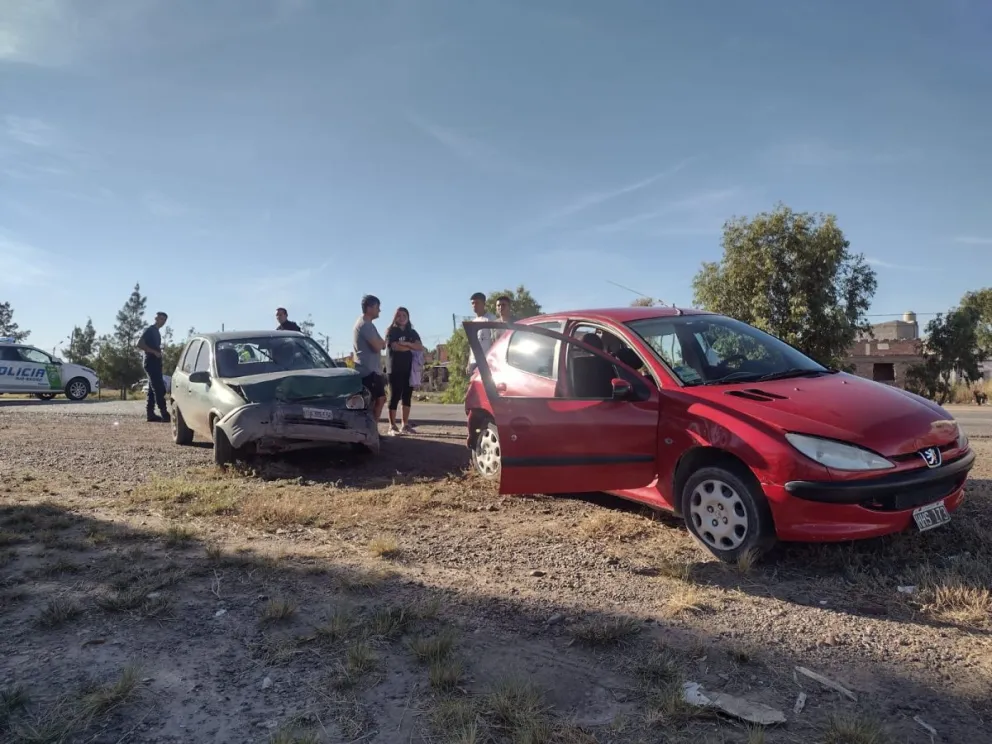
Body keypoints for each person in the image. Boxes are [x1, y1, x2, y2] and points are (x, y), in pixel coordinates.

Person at [385, 307, 425, 436]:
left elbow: (420, 347)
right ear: (395, 317)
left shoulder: (411, 332)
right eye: (399, 315)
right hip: (394, 368)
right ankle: (392, 425)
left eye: (404, 315)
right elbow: (395, 347)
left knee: (407, 396)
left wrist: (407, 344)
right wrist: (410, 346)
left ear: (408, 317)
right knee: (395, 395)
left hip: (409, 369)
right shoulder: (392, 331)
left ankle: (405, 425)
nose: (402, 317)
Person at [352, 294, 387, 425]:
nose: (379, 310)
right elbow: (378, 346)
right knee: (379, 399)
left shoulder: (369, 325)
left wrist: (381, 343)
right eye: (377, 307)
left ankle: (370, 430)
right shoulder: (364, 325)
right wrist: (380, 344)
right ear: (369, 308)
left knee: (375, 401)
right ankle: (371, 431)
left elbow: (382, 343)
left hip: (372, 370)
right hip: (368, 371)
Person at [137, 311, 171, 423]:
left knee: (152, 389)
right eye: (160, 319)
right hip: (150, 362)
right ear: (156, 318)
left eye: (164, 320)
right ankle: (165, 414)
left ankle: (150, 414)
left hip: (156, 363)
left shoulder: (157, 332)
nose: (162, 321)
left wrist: (159, 352)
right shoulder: (150, 330)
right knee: (159, 388)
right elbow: (139, 344)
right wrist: (153, 352)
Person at [465, 292, 496, 376]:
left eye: (477, 303)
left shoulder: (490, 319)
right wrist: (469, 363)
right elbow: (472, 345)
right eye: (473, 303)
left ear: (484, 304)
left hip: (486, 361)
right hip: (474, 362)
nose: (474, 305)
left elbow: (495, 341)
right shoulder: (473, 322)